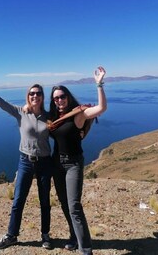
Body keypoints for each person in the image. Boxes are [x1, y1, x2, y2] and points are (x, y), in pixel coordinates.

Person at [0, 71, 53, 250]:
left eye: (38, 93)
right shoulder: (20, 113)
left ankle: (45, 235)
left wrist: (83, 117)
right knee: (18, 201)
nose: (35, 96)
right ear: (28, 96)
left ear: (42, 97)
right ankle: (12, 235)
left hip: (45, 163)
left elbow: (67, 120)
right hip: (25, 161)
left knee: (45, 201)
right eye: (32, 93)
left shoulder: (49, 116)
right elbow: (0, 103)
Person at [48, 66, 107, 255]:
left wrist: (99, 84)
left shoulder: (78, 114)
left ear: (68, 97)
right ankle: (73, 237)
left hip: (73, 163)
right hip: (56, 163)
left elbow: (101, 108)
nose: (59, 100)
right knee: (64, 203)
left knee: (74, 206)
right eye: (56, 98)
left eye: (62, 96)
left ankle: (86, 249)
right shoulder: (54, 117)